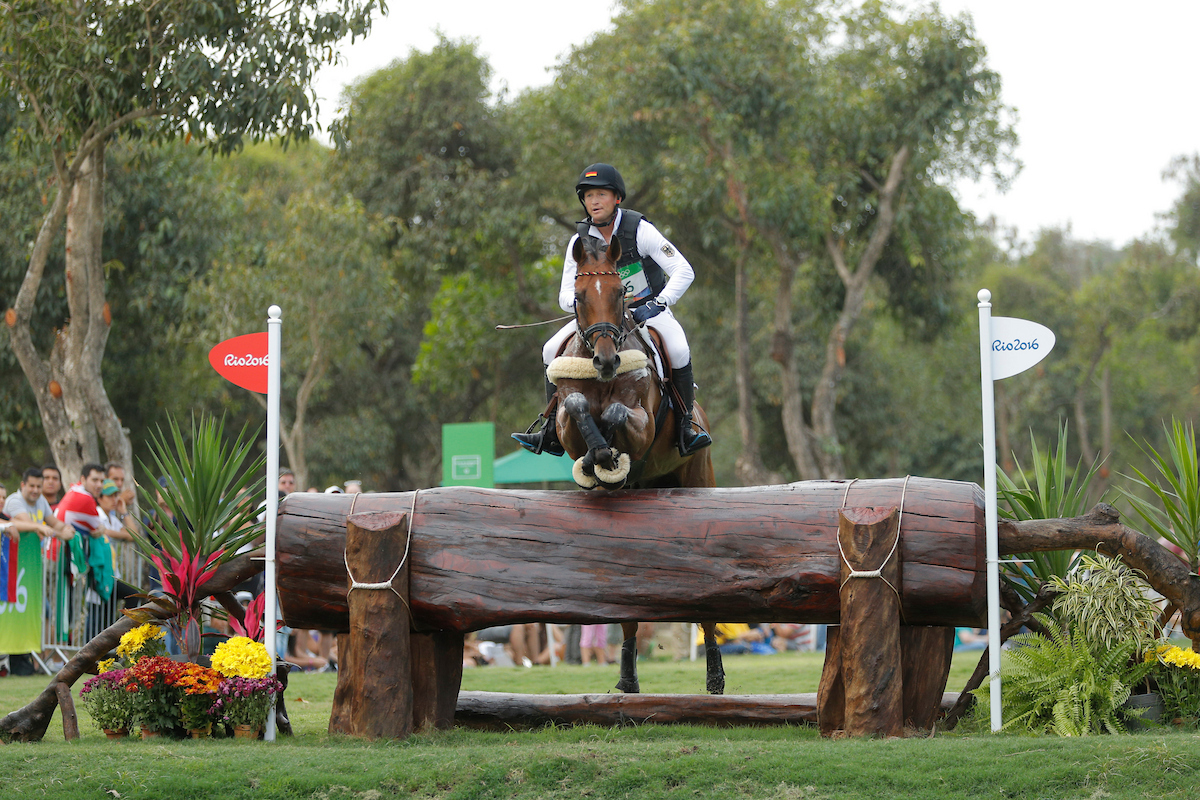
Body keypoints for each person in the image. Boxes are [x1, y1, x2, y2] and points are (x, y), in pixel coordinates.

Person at [513, 163, 712, 457]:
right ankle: (550, 429)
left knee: (678, 350)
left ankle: (685, 428)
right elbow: (565, 295)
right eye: (589, 195)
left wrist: (659, 302)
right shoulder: (578, 241)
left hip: (647, 311)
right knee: (549, 348)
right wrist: (586, 303)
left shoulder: (640, 230)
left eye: (601, 195)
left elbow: (683, 270)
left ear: (617, 198)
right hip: (598, 318)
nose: (594, 201)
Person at [3, 467, 74, 542]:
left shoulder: (41, 500)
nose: (35, 490)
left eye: (39, 486)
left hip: (32, 550)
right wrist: (61, 535)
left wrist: (66, 528)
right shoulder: (14, 501)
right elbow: (31, 526)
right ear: (23, 485)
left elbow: (54, 523)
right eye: (32, 486)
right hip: (14, 550)